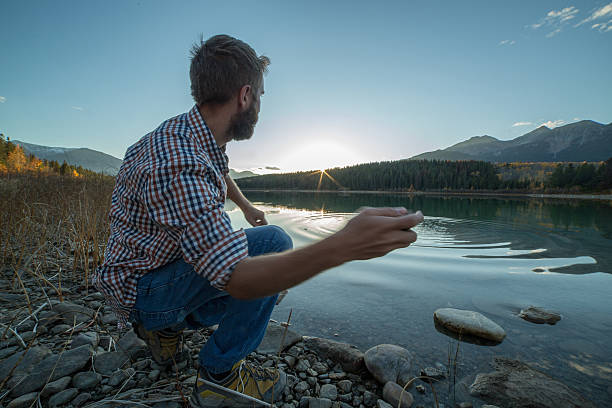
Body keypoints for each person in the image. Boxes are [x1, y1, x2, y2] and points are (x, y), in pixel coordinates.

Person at [92, 34, 424, 408]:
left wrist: (247, 207)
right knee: (274, 247)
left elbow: (218, 171)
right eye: (262, 95)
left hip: (145, 276)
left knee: (270, 272)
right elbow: (236, 277)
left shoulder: (185, 133)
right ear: (245, 95)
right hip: (145, 295)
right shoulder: (181, 162)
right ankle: (219, 375)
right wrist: (343, 246)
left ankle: (165, 331)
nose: (262, 106)